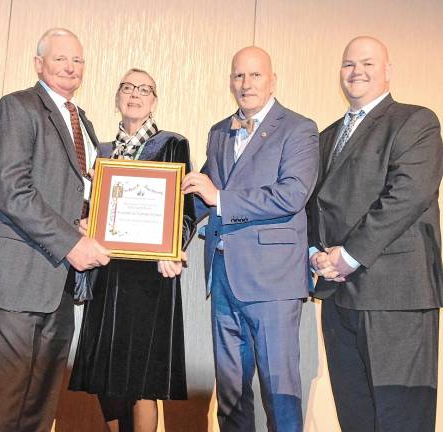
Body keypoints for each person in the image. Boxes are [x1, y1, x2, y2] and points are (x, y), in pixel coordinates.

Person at [0, 28, 110, 432]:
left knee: (40, 403)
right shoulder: (17, 107)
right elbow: (11, 189)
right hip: (17, 278)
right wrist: (72, 240)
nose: (70, 67)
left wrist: (88, 222)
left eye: (77, 61)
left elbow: (76, 190)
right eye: (60, 59)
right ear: (38, 64)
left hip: (58, 282)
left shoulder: (82, 120)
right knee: (5, 401)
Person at [308, 36, 443, 432]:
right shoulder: (327, 136)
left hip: (395, 296)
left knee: (400, 416)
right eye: (348, 64)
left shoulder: (416, 121)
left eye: (367, 63)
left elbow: (408, 195)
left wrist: (347, 256)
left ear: (388, 71)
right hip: (339, 297)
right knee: (355, 418)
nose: (357, 72)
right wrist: (315, 252)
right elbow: (315, 204)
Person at [182, 47, 319, 431]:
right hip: (224, 278)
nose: (246, 84)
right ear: (230, 82)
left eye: (255, 75)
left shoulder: (298, 128)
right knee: (230, 398)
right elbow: (201, 196)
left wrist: (220, 198)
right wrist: (174, 236)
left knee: (280, 396)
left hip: (273, 282)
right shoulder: (219, 131)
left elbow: (292, 194)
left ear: (273, 80)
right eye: (239, 76)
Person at [68, 68, 196, 432]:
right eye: (127, 87)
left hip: (149, 277)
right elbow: (91, 207)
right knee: (106, 374)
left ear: (154, 101)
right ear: (117, 97)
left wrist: (173, 248)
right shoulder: (102, 152)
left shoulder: (172, 144)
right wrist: (83, 223)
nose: (135, 94)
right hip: (106, 272)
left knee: (142, 378)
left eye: (144, 89)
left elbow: (184, 212)